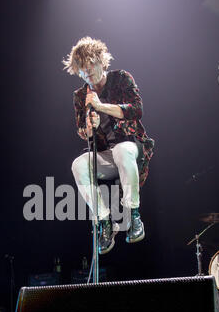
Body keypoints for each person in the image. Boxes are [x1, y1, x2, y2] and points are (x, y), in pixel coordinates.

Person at [63, 36, 154, 254]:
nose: (87, 73)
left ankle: (133, 216)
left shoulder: (121, 78)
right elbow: (83, 132)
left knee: (122, 150)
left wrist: (101, 107)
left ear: (101, 61)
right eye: (82, 71)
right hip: (106, 154)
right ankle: (104, 222)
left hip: (132, 147)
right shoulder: (80, 96)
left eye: (90, 66)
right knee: (78, 164)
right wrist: (90, 128)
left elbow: (136, 110)